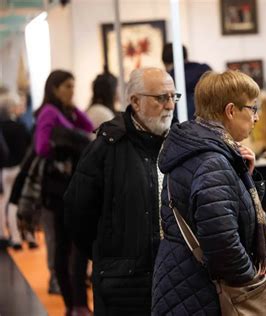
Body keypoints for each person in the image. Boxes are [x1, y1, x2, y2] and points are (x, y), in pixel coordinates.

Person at [152, 70, 266, 315]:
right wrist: (252, 282)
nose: (256, 118)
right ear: (230, 111)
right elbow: (223, 243)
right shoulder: (212, 160)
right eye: (252, 108)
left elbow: (231, 214)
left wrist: (245, 174)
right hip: (200, 294)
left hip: (184, 282)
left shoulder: (201, 149)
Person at [64, 67, 178, 315]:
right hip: (122, 285)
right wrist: (109, 255)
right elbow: (77, 213)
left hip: (172, 280)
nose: (170, 105)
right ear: (135, 101)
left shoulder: (177, 145)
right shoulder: (107, 147)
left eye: (173, 96)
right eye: (161, 97)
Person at [35, 70, 94, 315]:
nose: (72, 90)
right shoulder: (49, 112)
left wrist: (73, 108)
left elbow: (89, 128)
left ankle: (75, 304)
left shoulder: (63, 112)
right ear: (55, 88)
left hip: (66, 189)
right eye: (68, 86)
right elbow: (41, 146)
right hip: (58, 190)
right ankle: (74, 303)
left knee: (69, 245)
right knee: (67, 246)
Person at [0, 88, 35, 250]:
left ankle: (9, 236)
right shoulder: (20, 128)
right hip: (18, 169)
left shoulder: (2, 128)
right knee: (18, 203)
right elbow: (28, 149)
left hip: (5, 170)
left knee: (5, 202)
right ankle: (24, 236)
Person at [162, 43, 211, 120]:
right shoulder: (205, 70)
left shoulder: (172, 79)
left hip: (185, 125)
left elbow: (173, 102)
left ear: (166, 63)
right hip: (210, 122)